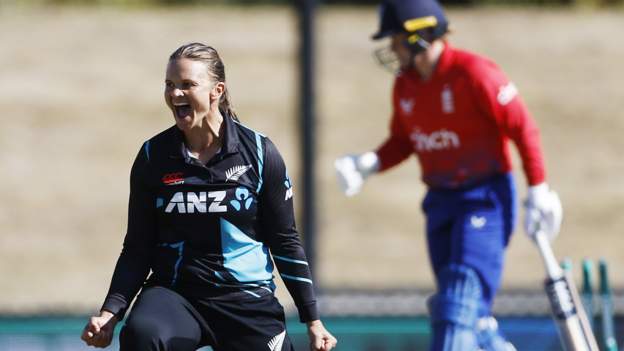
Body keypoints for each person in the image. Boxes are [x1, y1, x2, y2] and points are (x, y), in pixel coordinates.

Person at [334, 1, 562, 350]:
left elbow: (522, 128)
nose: (392, 50)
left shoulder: (475, 73)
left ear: (417, 36)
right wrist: (370, 163)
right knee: (470, 314)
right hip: (440, 202)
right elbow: (405, 140)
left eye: (395, 40)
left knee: (459, 296)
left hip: (484, 199)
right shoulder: (406, 86)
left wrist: (539, 188)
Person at [81, 42, 337, 351]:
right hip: (175, 295)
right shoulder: (153, 156)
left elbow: (285, 240)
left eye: (187, 85)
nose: (175, 94)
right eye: (169, 85)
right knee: (143, 334)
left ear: (217, 90)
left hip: (245, 297)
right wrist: (111, 313)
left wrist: (313, 319)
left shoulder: (259, 153)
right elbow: (138, 247)